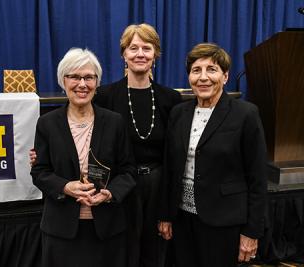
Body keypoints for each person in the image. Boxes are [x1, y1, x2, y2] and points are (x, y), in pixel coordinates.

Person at [158, 43, 267, 267]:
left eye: (212, 69)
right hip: (182, 218)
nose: (203, 77)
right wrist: (166, 215)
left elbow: (257, 177)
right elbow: (170, 168)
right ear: (189, 76)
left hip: (223, 222)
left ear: (225, 76)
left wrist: (252, 231)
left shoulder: (246, 114)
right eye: (196, 70)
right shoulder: (178, 113)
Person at [30, 48, 136, 267]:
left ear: (97, 83)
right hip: (61, 230)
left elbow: (128, 171)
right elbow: (40, 172)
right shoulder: (47, 123)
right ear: (63, 80)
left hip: (107, 229)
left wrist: (110, 194)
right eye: (75, 77)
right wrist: (66, 187)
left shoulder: (114, 122)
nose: (82, 84)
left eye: (89, 77)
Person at [94, 23, 182, 267]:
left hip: (157, 185)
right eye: (133, 48)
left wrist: (168, 209)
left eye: (147, 48)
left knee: (153, 254)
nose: (140, 54)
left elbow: (173, 156)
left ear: (156, 55)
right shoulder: (105, 96)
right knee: (122, 251)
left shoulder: (170, 98)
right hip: (120, 187)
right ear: (124, 54)